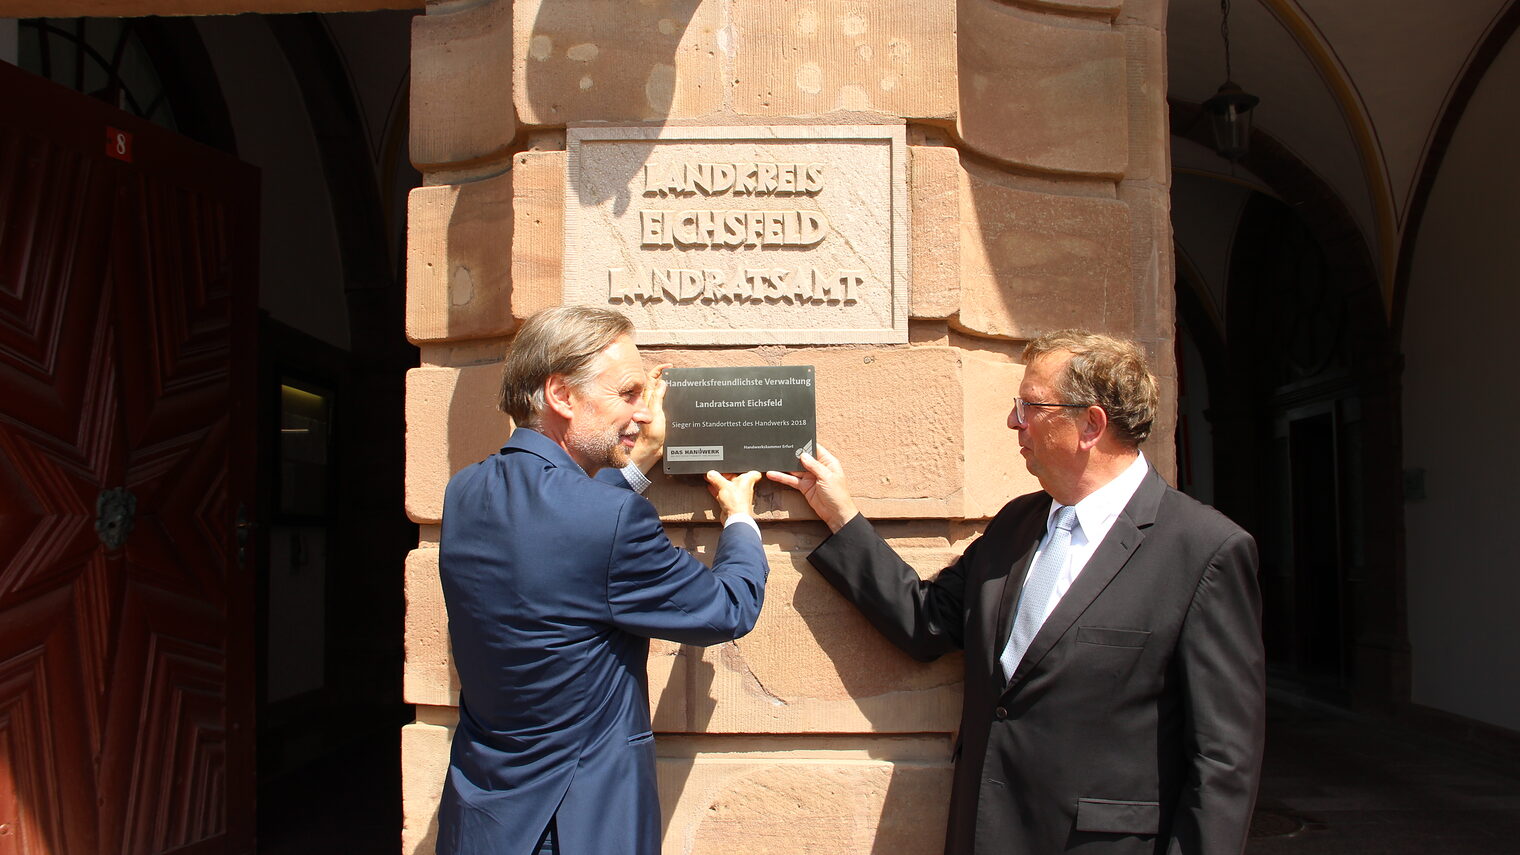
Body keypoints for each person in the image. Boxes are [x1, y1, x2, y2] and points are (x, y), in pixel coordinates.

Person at [768, 330, 1264, 854]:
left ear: (1091, 425)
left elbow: (1223, 761)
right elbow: (927, 621)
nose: (1013, 422)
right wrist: (839, 515)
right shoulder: (1017, 524)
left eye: (1030, 406)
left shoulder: (1205, 550)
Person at [436, 306, 767, 855]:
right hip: (576, 823)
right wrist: (740, 520)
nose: (643, 414)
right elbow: (728, 609)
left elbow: (567, 542)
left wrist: (640, 461)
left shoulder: (466, 493)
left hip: (484, 820)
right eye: (629, 393)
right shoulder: (607, 520)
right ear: (562, 395)